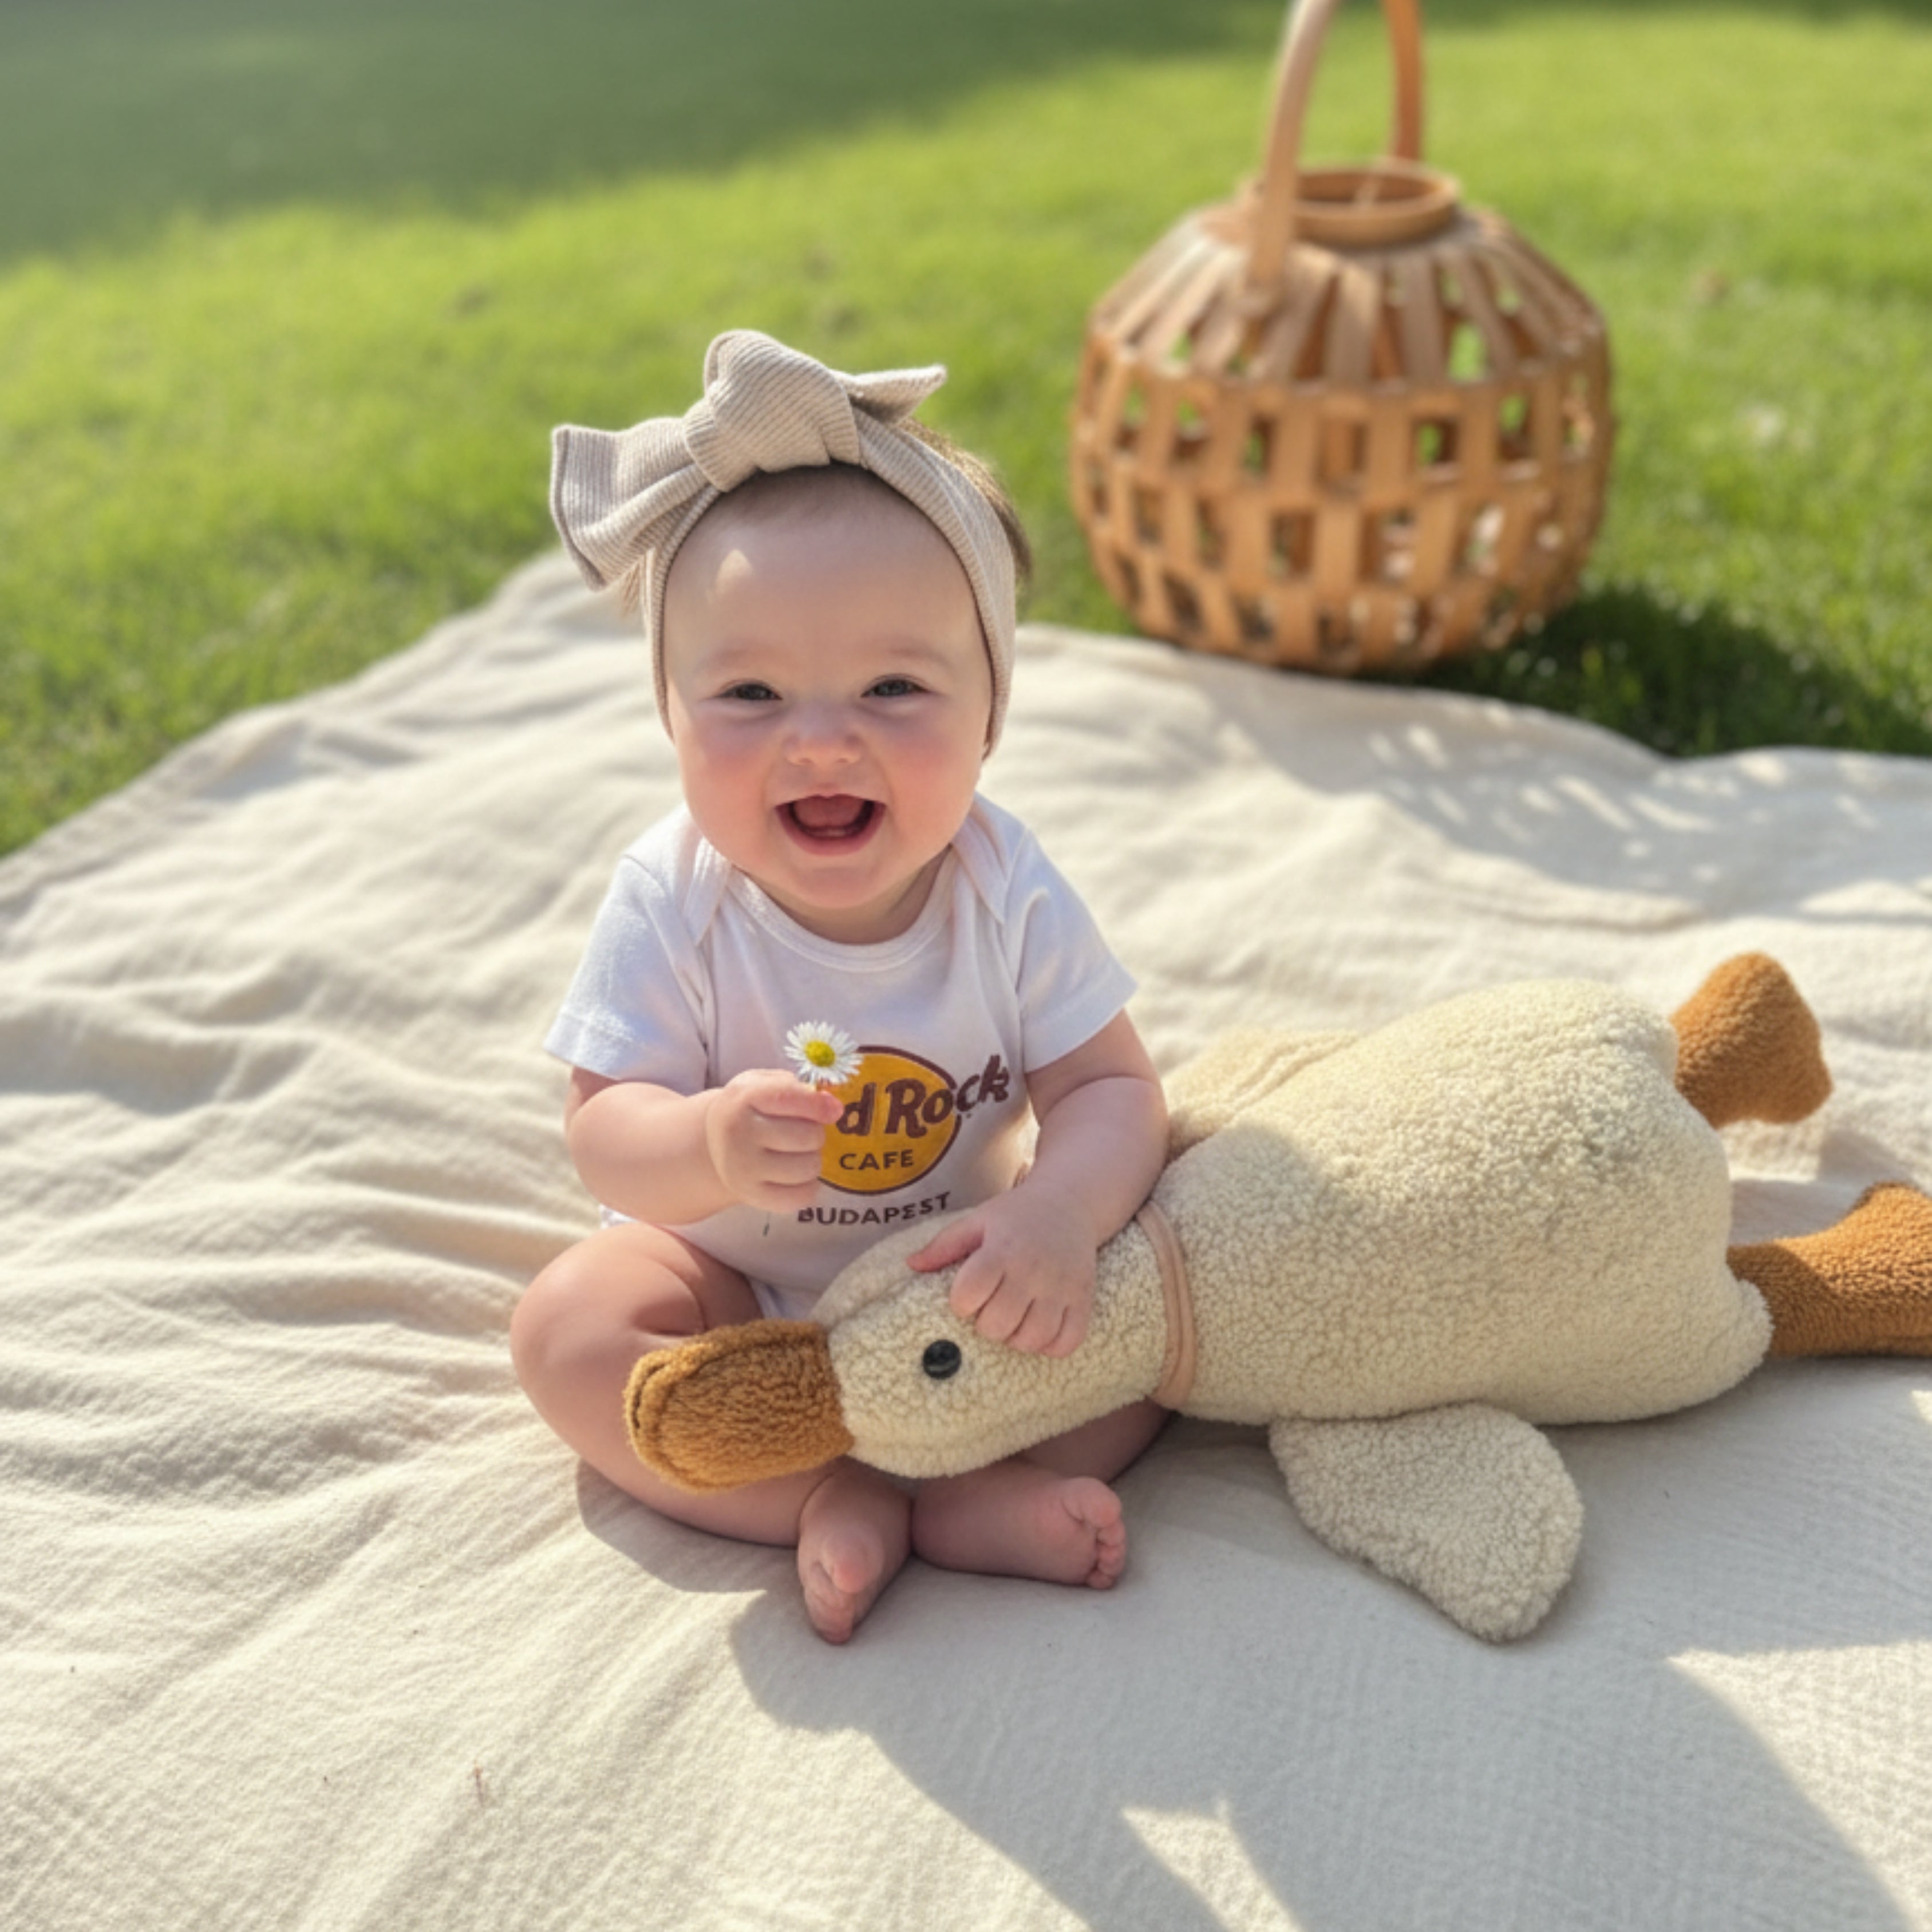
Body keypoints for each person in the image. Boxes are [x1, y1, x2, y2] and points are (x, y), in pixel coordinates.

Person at [511, 331, 1169, 1643]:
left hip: (951, 1284)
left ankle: (955, 1473)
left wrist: (1052, 1213)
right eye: (748, 691)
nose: (821, 737)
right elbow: (602, 1128)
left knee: (1150, 1321)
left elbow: (1110, 1088)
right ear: (672, 718)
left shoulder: (1002, 882)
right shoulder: (674, 895)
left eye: (891, 686)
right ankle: (843, 1487)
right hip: (727, 1289)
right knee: (570, 1334)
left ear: (988, 713)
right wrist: (698, 1141)